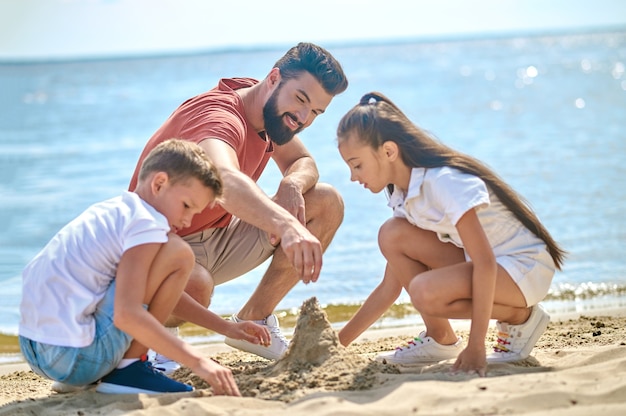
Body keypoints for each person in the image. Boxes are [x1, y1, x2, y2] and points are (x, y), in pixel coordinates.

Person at [128, 42, 349, 365]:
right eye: (301, 99)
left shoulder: (267, 109)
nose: (303, 118)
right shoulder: (220, 117)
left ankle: (257, 319)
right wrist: (286, 226)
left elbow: (303, 160)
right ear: (274, 79)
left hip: (213, 237)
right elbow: (226, 179)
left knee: (326, 201)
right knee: (196, 286)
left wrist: (291, 183)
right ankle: (157, 337)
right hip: (157, 244)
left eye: (315, 112)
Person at [335, 92, 566, 376]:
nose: (353, 177)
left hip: (524, 268)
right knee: (391, 234)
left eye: (357, 165)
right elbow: (389, 286)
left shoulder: (444, 182)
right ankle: (440, 338)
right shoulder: (405, 196)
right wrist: (336, 344)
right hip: (492, 266)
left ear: (388, 152)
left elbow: (485, 263)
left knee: (424, 291)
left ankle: (521, 317)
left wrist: (476, 345)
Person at [19, 139, 270, 395]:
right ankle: (131, 369)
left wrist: (227, 327)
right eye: (186, 206)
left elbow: (151, 294)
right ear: (159, 183)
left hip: (37, 351)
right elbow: (127, 314)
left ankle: (98, 371)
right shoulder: (147, 224)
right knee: (180, 253)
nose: (186, 220)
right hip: (75, 358)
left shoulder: (113, 212)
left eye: (194, 213)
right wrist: (199, 362)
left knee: (151, 265)